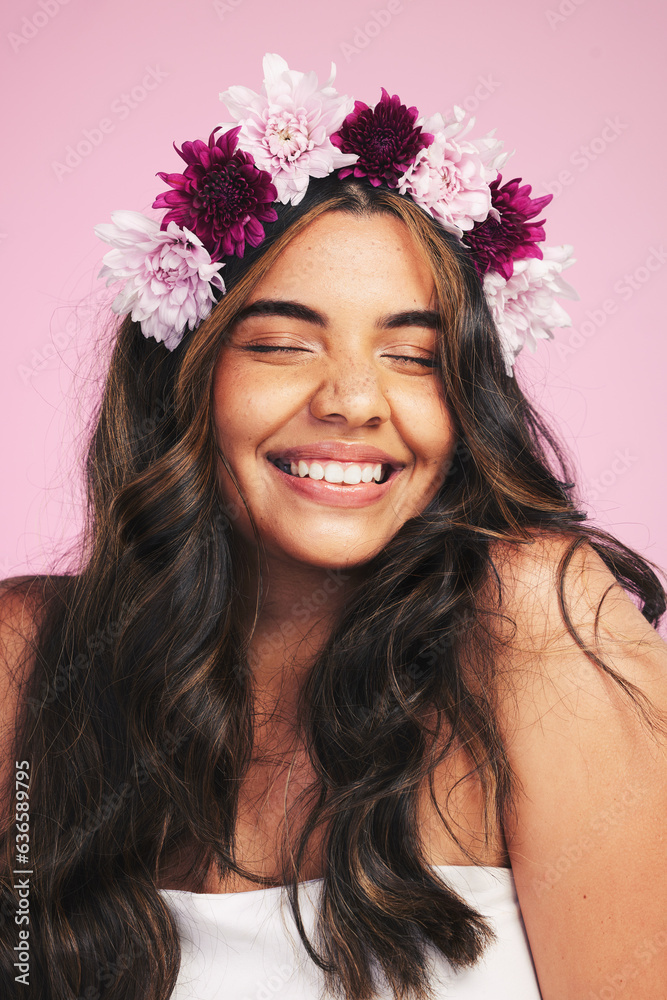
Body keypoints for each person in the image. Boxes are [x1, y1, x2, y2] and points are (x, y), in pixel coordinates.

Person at [1, 53, 666, 1000]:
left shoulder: (536, 623)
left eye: (413, 354)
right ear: (183, 382)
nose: (354, 400)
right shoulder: (29, 665)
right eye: (279, 344)